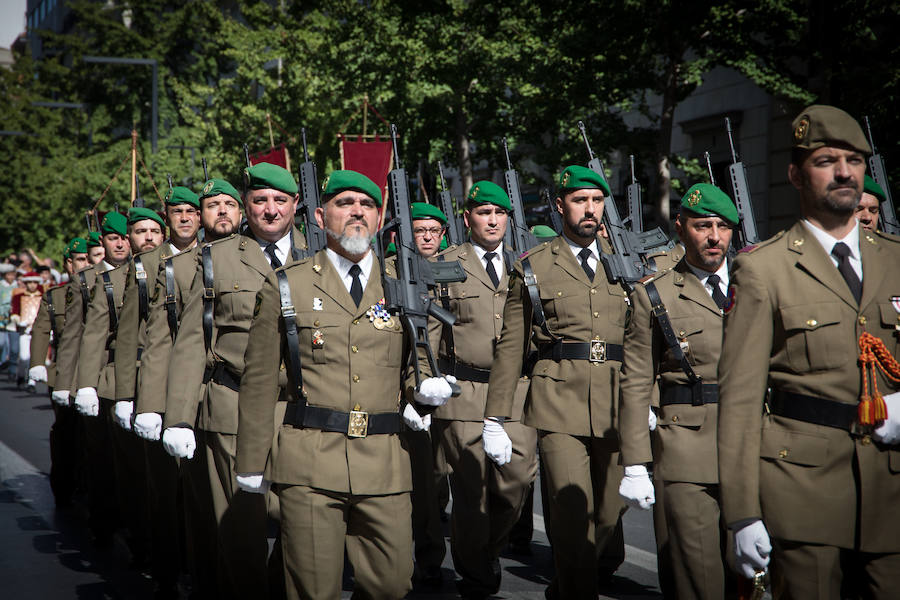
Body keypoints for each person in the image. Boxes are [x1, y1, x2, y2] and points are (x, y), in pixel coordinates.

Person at [233, 169, 453, 600]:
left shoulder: (403, 284)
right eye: (344, 203)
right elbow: (259, 380)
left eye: (367, 205)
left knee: (391, 585)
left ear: (379, 217)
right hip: (310, 460)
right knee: (313, 589)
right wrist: (251, 461)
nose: (356, 212)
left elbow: (417, 357)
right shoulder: (288, 284)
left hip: (385, 463)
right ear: (319, 216)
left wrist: (423, 388)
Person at [718, 104, 900, 598]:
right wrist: (741, 513)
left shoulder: (896, 260)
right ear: (796, 174)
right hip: (802, 493)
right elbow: (739, 400)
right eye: (826, 161)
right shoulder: (764, 269)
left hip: (890, 489)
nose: (845, 172)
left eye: (854, 160)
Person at [162, 163, 306, 599]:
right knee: (241, 528)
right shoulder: (215, 259)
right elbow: (190, 343)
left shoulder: (319, 257)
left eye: (280, 201)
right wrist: (178, 418)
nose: (270, 210)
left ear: (295, 206)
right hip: (233, 406)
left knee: (302, 520)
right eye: (260, 201)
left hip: (300, 410)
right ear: (247, 207)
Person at [485, 165, 629, 599]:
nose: (590, 209)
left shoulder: (624, 261)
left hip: (615, 402)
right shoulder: (533, 267)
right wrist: (496, 416)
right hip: (557, 399)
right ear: (560, 205)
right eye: (581, 200)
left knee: (607, 514)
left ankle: (566, 587)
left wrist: (652, 399)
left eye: (597, 201)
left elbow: (645, 338)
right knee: (570, 515)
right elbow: (512, 346)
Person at [619, 183, 738, 599]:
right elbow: (635, 380)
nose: (713, 236)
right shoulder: (656, 293)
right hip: (686, 444)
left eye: (723, 227)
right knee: (699, 577)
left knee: (751, 576)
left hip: (754, 443)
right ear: (681, 228)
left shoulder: (756, 286)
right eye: (703, 225)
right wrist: (635, 462)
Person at [427, 181, 538, 599]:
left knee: (516, 481)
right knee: (472, 491)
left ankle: (489, 548)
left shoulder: (526, 264)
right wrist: (428, 382)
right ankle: (476, 574)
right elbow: (432, 329)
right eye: (483, 212)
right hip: (465, 392)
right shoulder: (445, 263)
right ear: (467, 217)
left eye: (500, 213)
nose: (492, 220)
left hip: (517, 392)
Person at [134, 178, 243, 598]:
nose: (220, 213)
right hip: (198, 396)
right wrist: (153, 404)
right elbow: (161, 341)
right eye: (211, 205)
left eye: (227, 204)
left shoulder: (262, 260)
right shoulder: (178, 269)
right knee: (199, 505)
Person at [111, 192, 199, 598]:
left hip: (205, 381)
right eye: (177, 212)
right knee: (165, 488)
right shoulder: (148, 265)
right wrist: (130, 395)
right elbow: (130, 331)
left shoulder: (218, 255)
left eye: (191, 212)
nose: (185, 218)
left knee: (200, 490)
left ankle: (197, 566)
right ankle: (166, 569)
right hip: (160, 382)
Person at [28, 238, 89, 506]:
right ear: (69, 264)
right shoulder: (56, 295)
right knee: (66, 431)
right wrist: (37, 363)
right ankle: (63, 482)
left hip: (93, 372)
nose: (86, 264)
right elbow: (41, 330)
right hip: (65, 372)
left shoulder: (102, 287)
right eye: (80, 260)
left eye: (90, 258)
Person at [10, 271, 44, 389]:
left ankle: (31, 382)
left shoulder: (42, 296)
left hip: (38, 330)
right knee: (24, 357)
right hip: (24, 330)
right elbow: (14, 313)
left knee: (34, 357)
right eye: (29, 282)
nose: (32, 285)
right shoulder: (18, 297)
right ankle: (20, 375)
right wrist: (19, 321)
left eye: (35, 282)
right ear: (25, 283)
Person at [0, 263, 19, 382]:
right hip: (1, 317)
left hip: (13, 318)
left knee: (14, 347)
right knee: (1, 343)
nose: (11, 277)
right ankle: (2, 361)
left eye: (13, 274)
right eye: (9, 274)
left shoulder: (18, 286)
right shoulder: (1, 286)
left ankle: (12, 369)